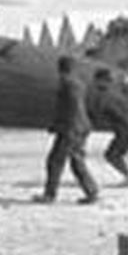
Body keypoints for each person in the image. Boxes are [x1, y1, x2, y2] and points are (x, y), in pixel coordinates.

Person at [34, 56, 99, 204]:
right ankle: (91, 191)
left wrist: (60, 125)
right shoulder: (79, 83)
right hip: (80, 126)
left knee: (55, 161)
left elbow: (71, 107)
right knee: (76, 160)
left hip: (71, 128)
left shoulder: (67, 83)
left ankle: (50, 195)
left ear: (60, 68)